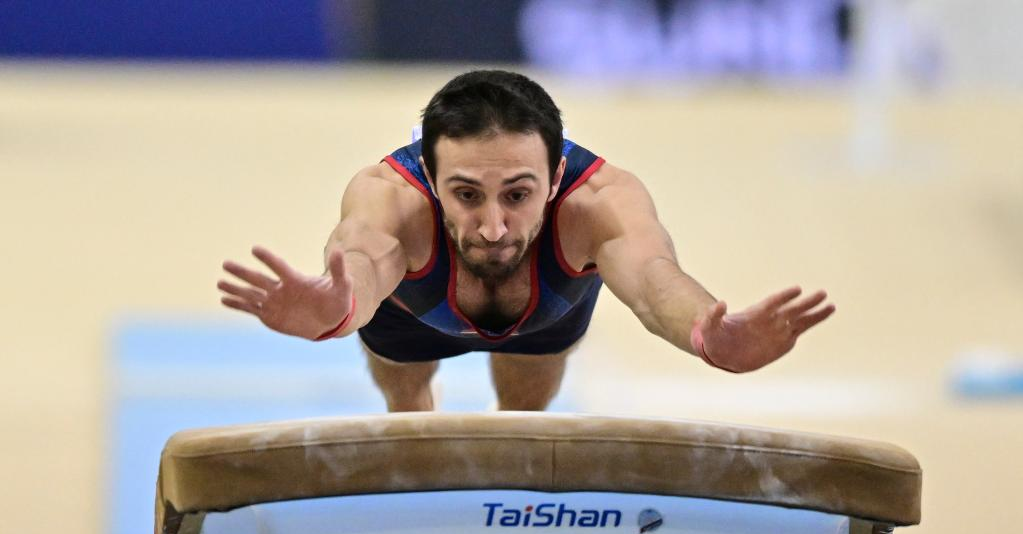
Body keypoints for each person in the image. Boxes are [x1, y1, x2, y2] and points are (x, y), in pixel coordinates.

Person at [218, 70, 834, 412]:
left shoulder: (600, 202)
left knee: (522, 429)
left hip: (543, 317)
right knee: (408, 415)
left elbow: (654, 282)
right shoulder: (389, 197)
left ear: (557, 176)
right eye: (466, 194)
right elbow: (363, 258)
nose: (492, 227)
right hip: (408, 316)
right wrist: (337, 307)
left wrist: (706, 332)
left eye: (517, 194)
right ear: (428, 174)